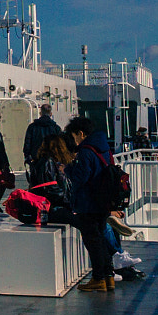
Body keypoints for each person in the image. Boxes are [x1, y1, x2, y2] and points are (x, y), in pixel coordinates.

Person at [62, 115, 120, 292]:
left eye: (74, 137)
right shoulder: (103, 149)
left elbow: (80, 178)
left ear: (80, 133)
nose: (74, 141)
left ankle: (98, 278)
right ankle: (108, 276)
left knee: (93, 241)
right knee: (101, 239)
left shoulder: (86, 151)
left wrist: (67, 169)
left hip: (89, 204)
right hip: (103, 202)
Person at [23, 104, 61, 186]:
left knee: (35, 184)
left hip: (35, 160)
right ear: (51, 114)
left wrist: (28, 157)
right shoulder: (56, 128)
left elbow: (27, 144)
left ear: (40, 113)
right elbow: (60, 146)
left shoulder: (32, 127)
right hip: (52, 161)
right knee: (51, 184)